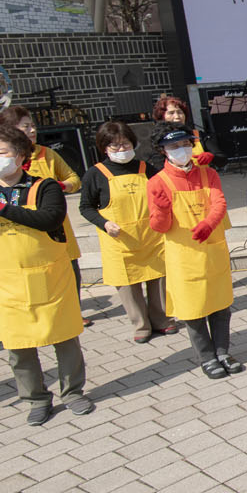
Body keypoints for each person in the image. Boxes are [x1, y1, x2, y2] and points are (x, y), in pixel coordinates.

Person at [0, 125, 92, 424]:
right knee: (18, 345)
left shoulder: (44, 187)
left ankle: (73, 393)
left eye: (2, 152)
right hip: (7, 283)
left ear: (20, 155)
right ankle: (36, 398)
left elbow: (49, 218)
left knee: (64, 337)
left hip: (49, 277)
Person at [146, 128, 240, 377]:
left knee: (220, 305)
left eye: (186, 144)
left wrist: (209, 223)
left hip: (213, 250)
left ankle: (223, 352)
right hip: (184, 256)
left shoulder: (208, 174)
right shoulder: (157, 182)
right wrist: (162, 211)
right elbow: (158, 227)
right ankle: (206, 357)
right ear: (163, 151)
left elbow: (219, 203)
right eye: (174, 147)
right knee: (193, 309)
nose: (182, 150)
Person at [78, 121, 169, 344]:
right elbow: (86, 207)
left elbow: (164, 193)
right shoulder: (95, 174)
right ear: (104, 148)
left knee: (158, 280)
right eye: (115, 146)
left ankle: (162, 319)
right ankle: (141, 324)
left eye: (126, 144)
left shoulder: (146, 168)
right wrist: (104, 223)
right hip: (119, 240)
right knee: (128, 285)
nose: (122, 149)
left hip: (150, 237)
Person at [0, 105, 85, 321]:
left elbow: (74, 179)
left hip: (55, 222)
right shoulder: (0, 160)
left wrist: (61, 186)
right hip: (24, 227)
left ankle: (74, 314)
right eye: (25, 126)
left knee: (69, 268)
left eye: (33, 125)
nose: (32, 130)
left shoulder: (47, 154)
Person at [148, 94, 220, 168]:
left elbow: (222, 159)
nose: (177, 116)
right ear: (162, 117)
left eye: (180, 112)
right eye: (171, 113)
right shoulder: (159, 139)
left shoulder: (197, 135)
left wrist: (212, 157)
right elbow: (157, 164)